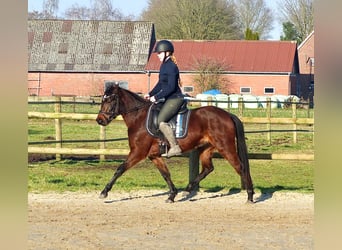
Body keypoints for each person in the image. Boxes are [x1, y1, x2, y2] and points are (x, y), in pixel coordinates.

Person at [145, 40, 184, 157]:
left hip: (175, 98)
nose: (157, 56)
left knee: (161, 121)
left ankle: (174, 146)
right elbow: (161, 84)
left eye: (159, 53)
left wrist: (156, 97)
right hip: (168, 99)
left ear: (167, 53)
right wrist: (150, 94)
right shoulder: (164, 66)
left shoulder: (171, 67)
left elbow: (171, 87)